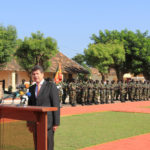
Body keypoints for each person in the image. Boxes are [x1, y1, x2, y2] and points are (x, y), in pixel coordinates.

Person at [27, 65, 60, 150]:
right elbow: (29, 106)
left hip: (48, 123)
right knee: (37, 145)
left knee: (48, 146)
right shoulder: (31, 88)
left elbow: (56, 104)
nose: (35, 76)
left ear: (42, 74)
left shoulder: (50, 86)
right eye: (33, 74)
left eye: (37, 74)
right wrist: (29, 123)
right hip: (35, 123)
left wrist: (56, 123)